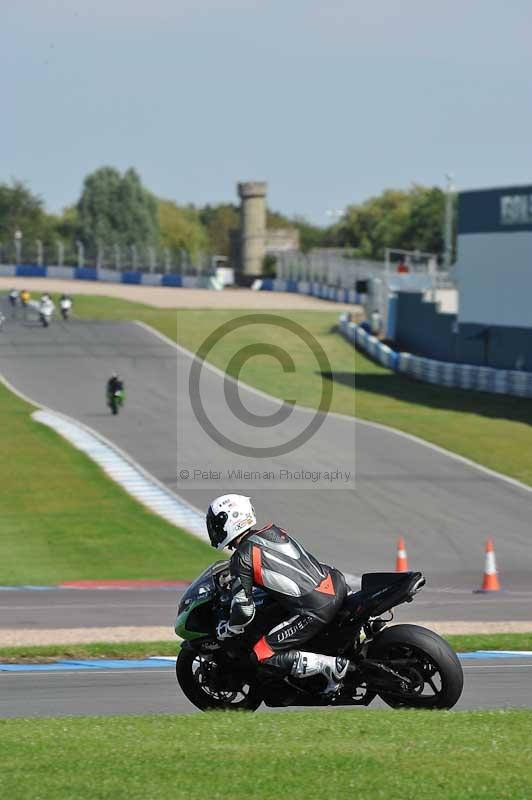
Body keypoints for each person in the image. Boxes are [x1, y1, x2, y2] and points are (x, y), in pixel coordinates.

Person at [206, 494, 349, 695]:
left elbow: (244, 612)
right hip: (335, 583)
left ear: (230, 520)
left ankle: (332, 667)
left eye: (216, 524)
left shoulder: (241, 558)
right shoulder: (272, 532)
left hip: (315, 608)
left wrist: (227, 629)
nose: (214, 530)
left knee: (261, 655)